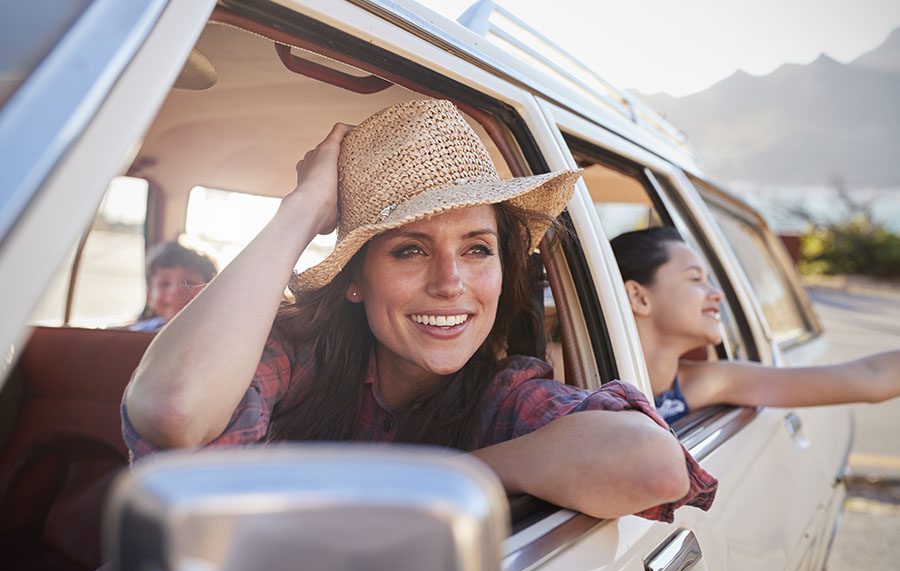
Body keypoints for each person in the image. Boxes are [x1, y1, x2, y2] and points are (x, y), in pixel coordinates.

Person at [121, 100, 718, 522]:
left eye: (477, 249)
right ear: (355, 282)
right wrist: (301, 211)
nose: (450, 283)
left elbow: (653, 466)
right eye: (410, 250)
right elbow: (174, 409)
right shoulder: (289, 358)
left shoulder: (502, 396)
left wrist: (444, 476)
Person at [609, 226, 900, 424]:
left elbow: (869, 378)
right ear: (638, 297)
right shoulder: (574, 383)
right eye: (696, 279)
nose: (717, 293)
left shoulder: (707, 383)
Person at [128, 240, 219, 332]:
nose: (175, 291)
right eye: (164, 284)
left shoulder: (219, 335)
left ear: (210, 294)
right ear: (150, 296)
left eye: (189, 283)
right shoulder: (136, 335)